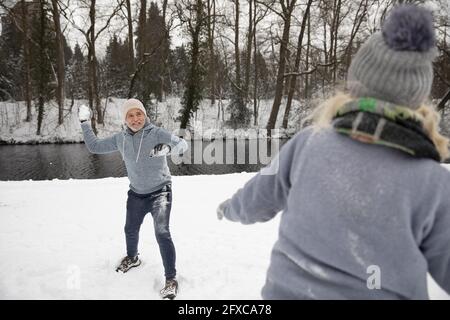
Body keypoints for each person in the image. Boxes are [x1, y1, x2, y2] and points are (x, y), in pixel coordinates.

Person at [216, 5, 450, 299]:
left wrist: (230, 208)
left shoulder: (308, 144)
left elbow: (258, 198)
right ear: (417, 99)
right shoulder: (433, 183)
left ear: (355, 83)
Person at [78, 98, 188, 299]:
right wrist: (85, 123)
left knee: (162, 233)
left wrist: (169, 148)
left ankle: (171, 279)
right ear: (125, 119)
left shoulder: (156, 134)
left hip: (160, 192)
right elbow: (94, 146)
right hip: (136, 193)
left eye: (139, 114)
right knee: (130, 229)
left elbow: (183, 145)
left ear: (144, 115)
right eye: (131, 115)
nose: (135, 119)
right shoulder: (121, 139)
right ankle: (132, 257)